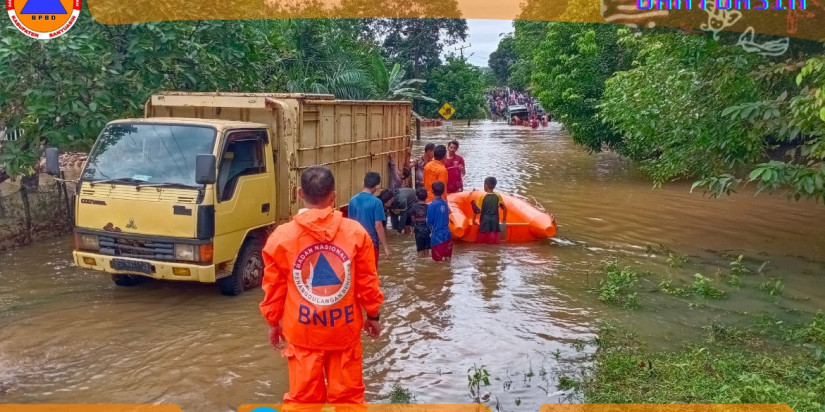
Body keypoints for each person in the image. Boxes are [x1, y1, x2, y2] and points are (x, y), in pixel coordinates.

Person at [259, 165, 384, 406]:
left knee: (303, 401)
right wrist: (373, 316)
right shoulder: (356, 234)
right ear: (334, 196)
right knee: (349, 400)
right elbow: (367, 281)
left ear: (299, 193)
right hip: (344, 330)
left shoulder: (281, 238)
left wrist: (273, 323)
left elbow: (273, 288)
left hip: (303, 332)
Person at [348, 172, 391, 267]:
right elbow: (378, 226)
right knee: (371, 272)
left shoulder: (352, 200)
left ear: (364, 182)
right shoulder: (377, 202)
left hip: (356, 243)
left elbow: (349, 224)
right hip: (370, 243)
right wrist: (385, 247)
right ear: (377, 186)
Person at [471, 176, 508, 245]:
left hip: (484, 222)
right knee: (494, 242)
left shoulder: (482, 197)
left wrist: (474, 221)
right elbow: (505, 208)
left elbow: (476, 210)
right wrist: (504, 220)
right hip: (494, 221)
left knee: (481, 243)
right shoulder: (498, 196)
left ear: (486, 185)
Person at [427, 181, 452, 262]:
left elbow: (429, 222)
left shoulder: (431, 206)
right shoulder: (445, 202)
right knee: (448, 258)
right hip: (447, 234)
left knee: (437, 262)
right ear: (443, 191)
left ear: (432, 191)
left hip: (437, 236)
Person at [411, 188, 431, 257]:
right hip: (427, 230)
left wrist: (413, 228)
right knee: (427, 250)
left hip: (418, 230)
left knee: (419, 251)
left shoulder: (414, 206)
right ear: (427, 197)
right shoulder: (429, 207)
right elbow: (430, 220)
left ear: (416, 197)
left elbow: (413, 219)